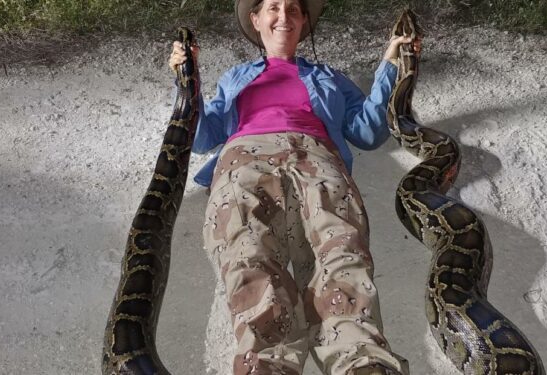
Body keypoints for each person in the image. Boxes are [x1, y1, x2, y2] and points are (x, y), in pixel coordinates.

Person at [169, 1, 412, 374]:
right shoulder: (236, 77)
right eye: (274, 7)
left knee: (341, 252)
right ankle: (267, 365)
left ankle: (362, 362)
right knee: (249, 255)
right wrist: (188, 81)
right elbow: (201, 137)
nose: (284, 17)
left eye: (294, 10)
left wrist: (391, 66)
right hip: (245, 159)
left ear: (303, 22)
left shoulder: (329, 75)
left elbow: (368, 132)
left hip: (315, 155)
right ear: (256, 19)